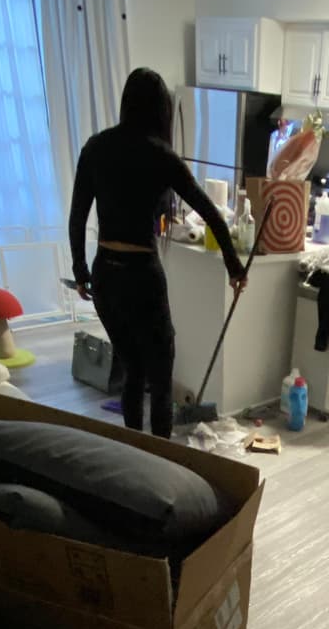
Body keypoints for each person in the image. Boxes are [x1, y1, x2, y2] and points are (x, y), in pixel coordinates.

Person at [69, 67, 247, 439]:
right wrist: (234, 267)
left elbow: (77, 216)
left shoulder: (95, 148)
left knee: (133, 369)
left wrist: (80, 270)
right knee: (160, 376)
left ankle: (137, 453)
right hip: (141, 276)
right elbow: (210, 210)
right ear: (160, 111)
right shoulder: (161, 155)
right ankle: (165, 461)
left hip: (105, 274)